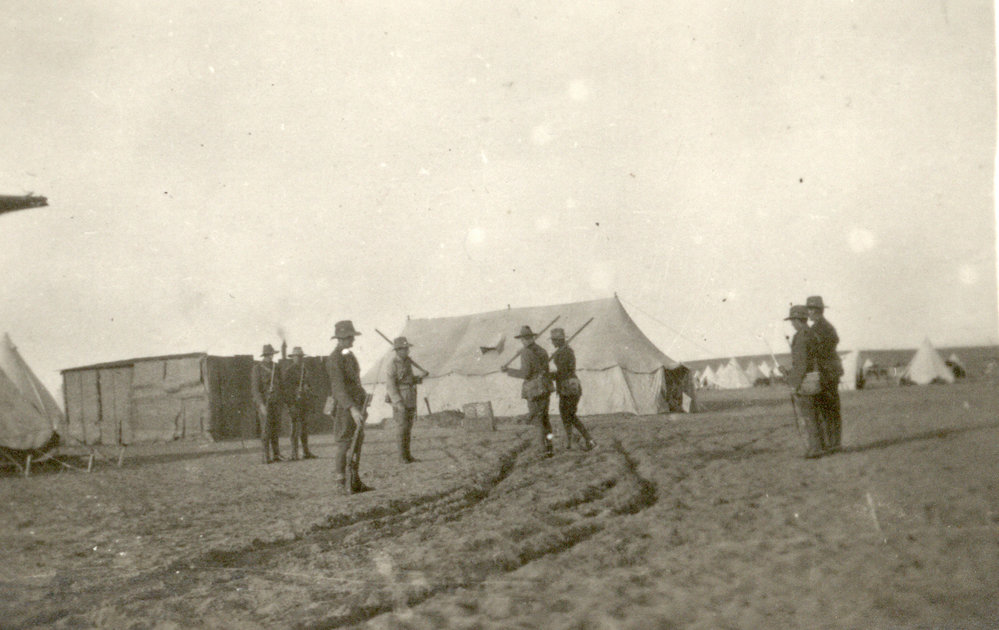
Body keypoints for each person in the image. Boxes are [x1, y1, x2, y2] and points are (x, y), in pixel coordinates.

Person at [326, 320, 372, 493]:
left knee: (357, 441)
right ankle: (340, 483)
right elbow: (338, 389)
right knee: (345, 443)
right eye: (349, 337)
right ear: (341, 338)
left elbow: (355, 382)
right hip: (345, 408)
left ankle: (354, 481)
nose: (352, 340)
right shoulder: (334, 359)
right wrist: (352, 408)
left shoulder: (349, 356)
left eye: (352, 336)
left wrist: (363, 400)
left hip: (357, 405)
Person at [501, 325, 554, 458]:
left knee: (537, 420)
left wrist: (508, 371)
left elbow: (525, 374)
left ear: (524, 339)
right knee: (545, 418)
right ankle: (550, 448)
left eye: (522, 339)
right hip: (545, 387)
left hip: (534, 390)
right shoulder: (542, 350)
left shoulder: (525, 352)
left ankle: (542, 450)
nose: (522, 341)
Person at [784, 305, 826, 458]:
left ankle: (815, 449)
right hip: (816, 379)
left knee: (809, 416)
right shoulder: (812, 333)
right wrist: (789, 373)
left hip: (806, 382)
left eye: (792, 320)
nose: (791, 324)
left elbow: (801, 365)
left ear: (797, 320)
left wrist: (793, 384)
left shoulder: (801, 337)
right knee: (816, 415)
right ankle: (822, 446)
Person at [549, 327, 596, 451]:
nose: (552, 342)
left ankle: (584, 440)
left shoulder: (564, 352)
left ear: (559, 340)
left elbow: (562, 372)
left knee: (568, 415)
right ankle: (578, 441)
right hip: (570, 386)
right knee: (568, 415)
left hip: (568, 386)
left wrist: (548, 375)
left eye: (553, 340)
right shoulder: (564, 351)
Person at [807, 295, 843, 452]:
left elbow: (820, 349)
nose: (808, 313)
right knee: (831, 409)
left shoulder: (818, 328)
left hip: (826, 373)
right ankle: (834, 442)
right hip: (831, 371)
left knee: (827, 409)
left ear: (816, 311)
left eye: (810, 310)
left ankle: (832, 444)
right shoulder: (827, 326)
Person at [385, 336, 427, 463]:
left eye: (407, 348)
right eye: (404, 349)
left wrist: (420, 377)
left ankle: (408, 456)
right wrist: (398, 402)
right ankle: (402, 457)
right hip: (400, 399)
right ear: (398, 350)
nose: (407, 351)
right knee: (402, 428)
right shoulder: (392, 364)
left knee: (408, 428)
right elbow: (391, 385)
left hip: (410, 398)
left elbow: (409, 379)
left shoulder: (407, 362)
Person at [281, 346, 316, 460]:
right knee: (294, 428)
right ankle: (294, 453)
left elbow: (309, 385)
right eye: (297, 356)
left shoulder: (304, 370)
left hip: (304, 402)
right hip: (294, 403)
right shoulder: (289, 371)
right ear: (293, 357)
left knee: (304, 428)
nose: (299, 358)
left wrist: (307, 388)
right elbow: (286, 389)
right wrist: (290, 404)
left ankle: (306, 452)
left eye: (300, 356)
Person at [251, 344, 284, 464]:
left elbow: (280, 385)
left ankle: (276, 454)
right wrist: (261, 405)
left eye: (272, 354)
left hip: (276, 402)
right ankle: (265, 455)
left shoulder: (276, 367)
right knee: (266, 429)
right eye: (269, 354)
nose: (271, 356)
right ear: (264, 355)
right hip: (265, 403)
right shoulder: (257, 368)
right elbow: (255, 389)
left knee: (275, 428)